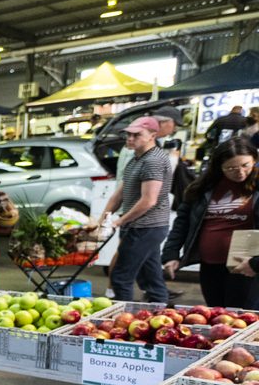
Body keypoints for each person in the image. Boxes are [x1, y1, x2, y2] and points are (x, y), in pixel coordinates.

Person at [162, 138, 259, 308]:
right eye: (231, 168)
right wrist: (171, 253)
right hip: (210, 265)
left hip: (246, 266)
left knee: (243, 317)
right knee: (216, 314)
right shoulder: (203, 188)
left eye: (245, 165)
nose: (241, 173)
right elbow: (182, 223)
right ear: (219, 167)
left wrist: (255, 263)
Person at [88, 117, 172, 303]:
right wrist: (104, 219)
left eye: (136, 134)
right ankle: (159, 313)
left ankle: (123, 319)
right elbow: (119, 195)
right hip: (139, 226)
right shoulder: (135, 160)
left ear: (152, 135)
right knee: (151, 278)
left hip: (146, 226)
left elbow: (148, 201)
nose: (130, 138)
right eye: (128, 134)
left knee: (121, 277)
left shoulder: (154, 161)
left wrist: (118, 221)